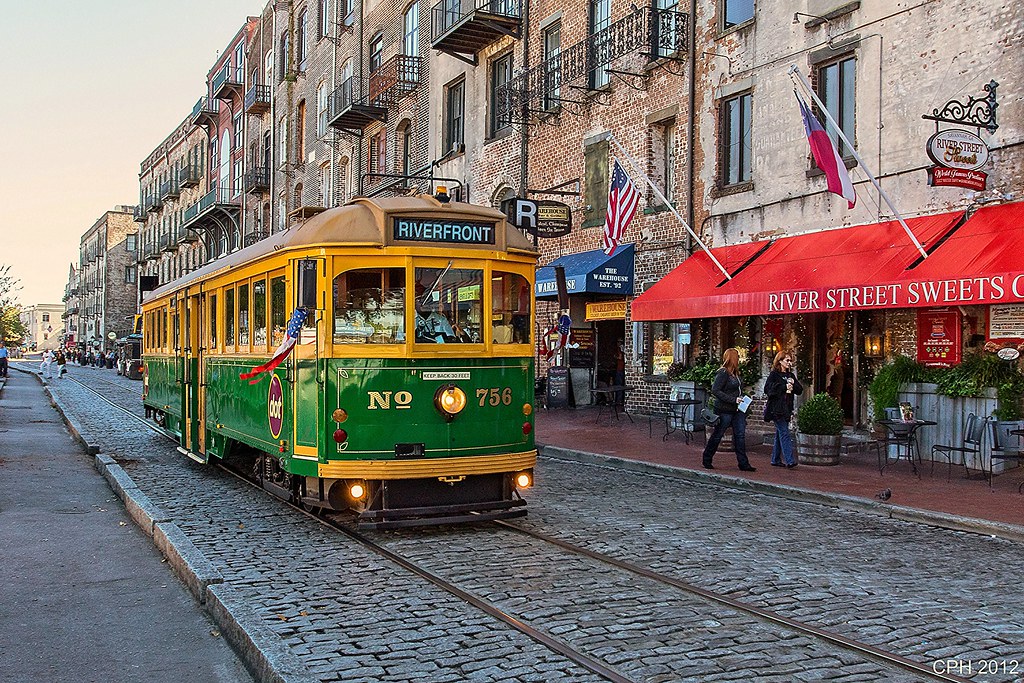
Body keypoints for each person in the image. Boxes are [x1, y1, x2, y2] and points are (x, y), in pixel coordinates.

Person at [701, 347, 756, 472]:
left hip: (738, 410)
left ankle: (743, 463)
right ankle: (707, 458)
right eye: (737, 357)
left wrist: (741, 398)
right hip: (725, 409)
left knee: (740, 435)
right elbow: (715, 390)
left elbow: (737, 390)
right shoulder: (723, 373)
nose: (739, 359)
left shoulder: (736, 374)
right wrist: (733, 399)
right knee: (718, 434)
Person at [764, 351, 804, 468]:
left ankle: (775, 459)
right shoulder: (774, 375)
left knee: (780, 433)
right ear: (780, 361)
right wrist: (783, 387)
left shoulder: (791, 375)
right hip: (776, 408)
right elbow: (768, 389)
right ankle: (789, 460)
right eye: (787, 360)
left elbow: (799, 390)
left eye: (790, 361)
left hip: (787, 408)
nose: (789, 363)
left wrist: (793, 385)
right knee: (784, 433)